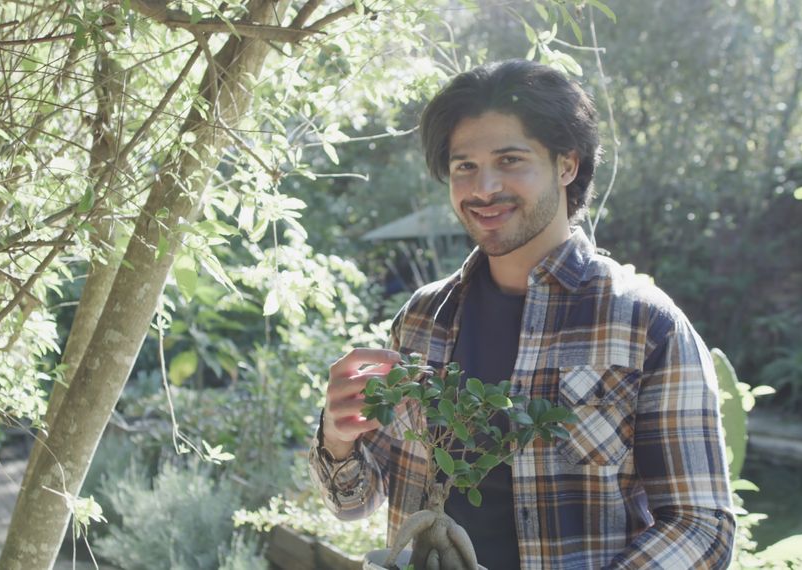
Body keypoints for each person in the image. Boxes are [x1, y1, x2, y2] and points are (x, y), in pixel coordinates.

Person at [309, 59, 735, 569]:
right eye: (464, 165)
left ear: (566, 165)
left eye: (510, 159)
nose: (483, 188)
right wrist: (337, 438)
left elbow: (702, 526)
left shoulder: (644, 325)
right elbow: (354, 502)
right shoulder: (422, 319)